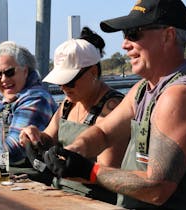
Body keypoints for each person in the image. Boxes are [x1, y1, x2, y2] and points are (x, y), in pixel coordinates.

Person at [42, 0, 186, 209]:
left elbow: (158, 188)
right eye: (124, 35)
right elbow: (103, 132)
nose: (124, 44)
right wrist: (73, 151)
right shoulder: (143, 88)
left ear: (168, 36)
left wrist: (89, 172)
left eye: (134, 34)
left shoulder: (180, 94)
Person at [19, 27, 124, 202]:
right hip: (60, 190)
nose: (63, 88)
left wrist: (58, 167)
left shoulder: (113, 108)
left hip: (95, 198)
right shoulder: (68, 104)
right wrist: (35, 137)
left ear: (93, 72)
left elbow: (106, 172)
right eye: (60, 82)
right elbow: (49, 138)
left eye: (69, 81)